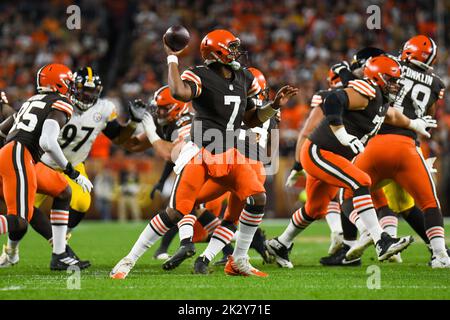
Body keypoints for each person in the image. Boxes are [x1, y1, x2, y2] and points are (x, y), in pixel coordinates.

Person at [110, 29, 297, 279]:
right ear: (216, 52)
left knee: (258, 198)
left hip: (230, 153)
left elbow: (250, 119)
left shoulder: (243, 76)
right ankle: (128, 260)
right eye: (230, 47)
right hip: (201, 152)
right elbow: (179, 92)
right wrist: (172, 58)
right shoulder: (200, 74)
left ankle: (238, 260)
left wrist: (273, 107)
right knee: (176, 211)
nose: (236, 52)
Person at [265, 55, 432, 268]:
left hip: (330, 155)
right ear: (377, 78)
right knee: (361, 180)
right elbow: (334, 100)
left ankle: (281, 243)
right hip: (320, 151)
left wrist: (415, 124)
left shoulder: (380, 101)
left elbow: (393, 116)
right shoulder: (366, 90)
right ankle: (382, 240)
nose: (396, 85)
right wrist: (342, 134)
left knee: (314, 209)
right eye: (391, 80)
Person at [340, 35, 449, 268]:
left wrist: (345, 71)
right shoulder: (437, 84)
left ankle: (372, 232)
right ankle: (440, 254)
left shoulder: (390, 63)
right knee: (428, 203)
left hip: (376, 143)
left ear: (407, 52)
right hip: (408, 147)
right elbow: (427, 113)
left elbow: (362, 77)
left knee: (350, 192)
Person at [0, 63, 92, 270]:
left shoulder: (31, 101)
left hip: (22, 155)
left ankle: (59, 254)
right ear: (58, 84)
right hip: (19, 155)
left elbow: (2, 131)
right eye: (68, 83)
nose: (72, 88)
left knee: (62, 191)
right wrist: (73, 172)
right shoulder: (60, 104)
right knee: (19, 221)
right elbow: (47, 142)